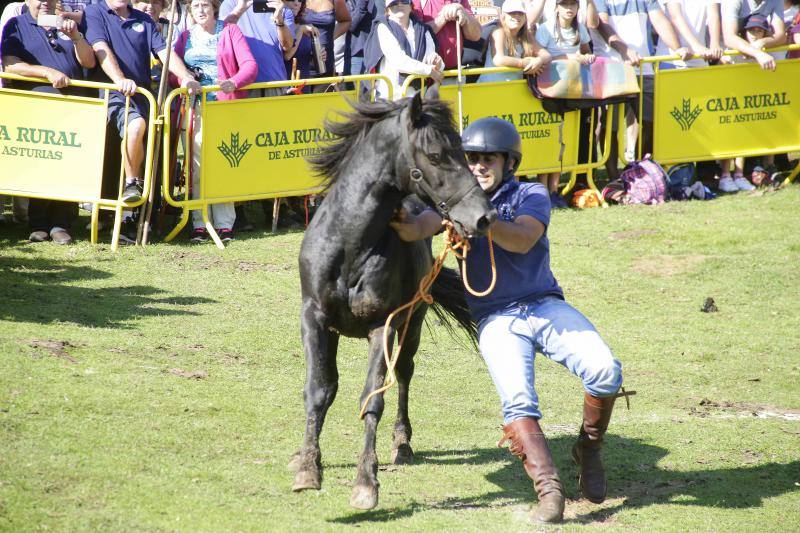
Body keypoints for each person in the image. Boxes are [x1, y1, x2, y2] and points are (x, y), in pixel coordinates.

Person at [388, 117, 624, 524]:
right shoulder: (453, 203)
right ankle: (549, 491)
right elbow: (416, 230)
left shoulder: (531, 193)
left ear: (509, 163)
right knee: (518, 401)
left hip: (544, 304)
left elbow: (523, 238)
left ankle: (589, 448)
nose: (478, 166)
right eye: (472, 158)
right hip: (496, 318)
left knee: (606, 371)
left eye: (488, 159)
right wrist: (391, 210)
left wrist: (480, 218)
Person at [84, 0, 200, 208]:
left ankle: (143, 213)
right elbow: (100, 48)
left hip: (142, 96)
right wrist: (119, 79)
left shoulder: (143, 19)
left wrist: (185, 77)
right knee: (134, 128)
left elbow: (164, 52)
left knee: (150, 146)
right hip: (112, 94)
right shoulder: (95, 12)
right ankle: (132, 184)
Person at [1, 0, 97, 244]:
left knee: (69, 166)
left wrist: (76, 37)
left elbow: (89, 62)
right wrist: (47, 72)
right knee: (44, 164)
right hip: (38, 110)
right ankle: (39, 223)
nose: (45, 1)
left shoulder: (68, 24)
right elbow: (11, 65)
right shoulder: (17, 24)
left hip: (76, 109)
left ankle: (62, 224)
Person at [173, 0, 257, 243]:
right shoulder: (184, 36)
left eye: (205, 5)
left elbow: (250, 65)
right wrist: (184, 81)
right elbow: (172, 71)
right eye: (196, 5)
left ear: (214, 8)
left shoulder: (230, 31)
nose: (201, 10)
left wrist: (235, 81)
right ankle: (199, 223)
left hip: (223, 107)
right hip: (194, 108)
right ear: (190, 10)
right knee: (197, 167)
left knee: (222, 163)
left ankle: (224, 223)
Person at [594, 0, 689, 175]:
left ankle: (639, 171)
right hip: (612, 68)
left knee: (651, 122)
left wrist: (677, 47)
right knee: (610, 126)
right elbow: (602, 24)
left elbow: (660, 20)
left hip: (643, 66)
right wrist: (625, 50)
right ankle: (614, 177)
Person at [535, 0, 593, 207]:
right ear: (557, 7)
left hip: (572, 90)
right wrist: (568, 56)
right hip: (549, 88)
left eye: (573, 4)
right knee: (549, 137)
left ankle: (554, 190)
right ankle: (542, 189)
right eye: (564, 4)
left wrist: (587, 57)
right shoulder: (545, 28)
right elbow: (538, 55)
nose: (569, 8)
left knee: (563, 139)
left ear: (578, 8)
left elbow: (585, 49)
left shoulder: (581, 29)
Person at [363, 0, 443, 100]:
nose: (399, 4)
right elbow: (399, 61)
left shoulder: (423, 30)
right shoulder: (382, 28)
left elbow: (431, 57)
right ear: (388, 9)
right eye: (394, 3)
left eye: (404, 1)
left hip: (418, 98)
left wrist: (437, 62)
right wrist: (428, 70)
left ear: (410, 6)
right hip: (390, 99)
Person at [478, 0, 550, 83]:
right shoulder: (499, 32)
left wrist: (538, 61)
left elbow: (547, 56)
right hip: (490, 87)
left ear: (525, 17)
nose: (517, 16)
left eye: (520, 13)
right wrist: (524, 63)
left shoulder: (526, 36)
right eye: (512, 13)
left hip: (514, 88)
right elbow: (498, 59)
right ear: (503, 16)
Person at [411, 0, 481, 72]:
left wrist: (464, 14)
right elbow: (416, 35)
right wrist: (444, 17)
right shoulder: (418, 1)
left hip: (454, 73)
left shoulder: (460, 1)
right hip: (427, 75)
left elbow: (476, 36)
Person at [655, 0, 724, 68]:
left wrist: (715, 44)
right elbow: (675, 16)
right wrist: (696, 46)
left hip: (700, 60)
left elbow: (713, 14)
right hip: (672, 60)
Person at [721, 0, 785, 70]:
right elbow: (729, 38)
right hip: (726, 46)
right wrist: (757, 53)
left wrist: (761, 42)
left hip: (754, 43)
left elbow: (781, 35)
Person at [303, 0, 350, 80]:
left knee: (325, 91)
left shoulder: (335, 1)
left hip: (325, 61)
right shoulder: (296, 2)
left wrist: (329, 38)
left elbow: (346, 21)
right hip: (301, 60)